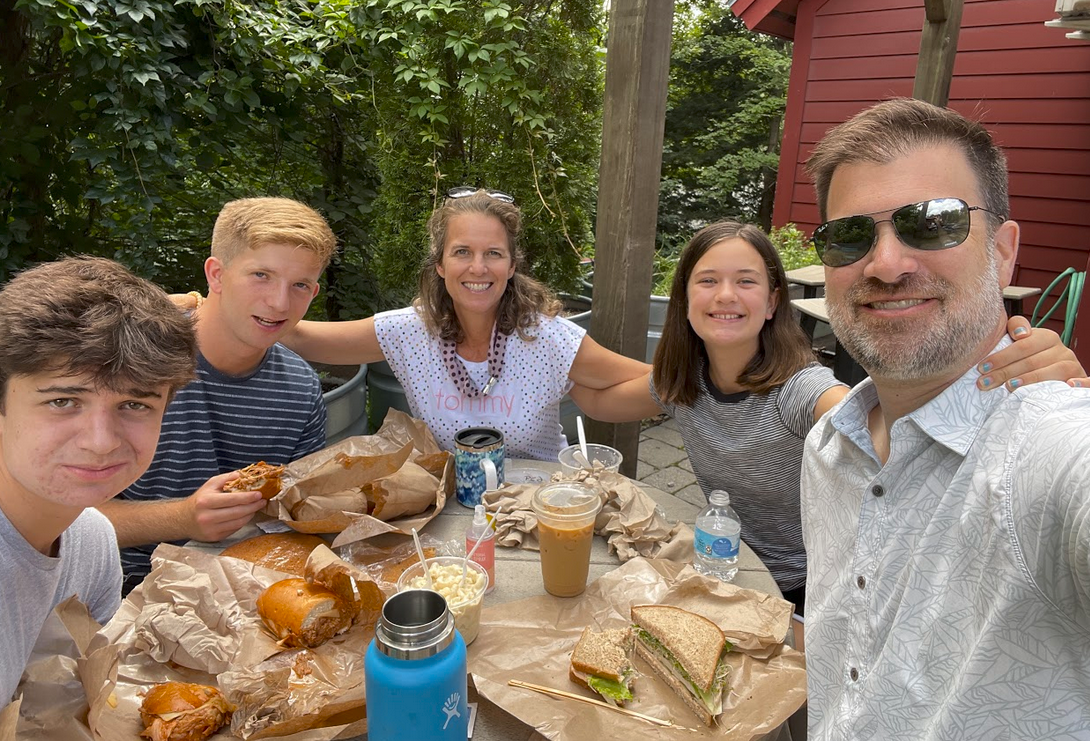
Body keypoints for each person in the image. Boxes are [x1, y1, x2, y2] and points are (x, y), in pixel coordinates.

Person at [568, 221, 1083, 614]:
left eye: (745, 281)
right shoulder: (684, 383)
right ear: (684, 302)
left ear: (772, 303)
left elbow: (890, 434)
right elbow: (598, 402)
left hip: (812, 593)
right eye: (708, 281)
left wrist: (1015, 390)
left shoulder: (799, 389)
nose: (725, 296)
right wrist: (539, 352)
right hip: (728, 568)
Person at [800, 97, 1090, 740]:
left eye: (932, 224)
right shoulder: (827, 445)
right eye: (849, 235)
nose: (886, 263)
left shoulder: (1050, 447)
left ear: (1004, 251)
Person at [279, 188, 649, 460]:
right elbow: (296, 335)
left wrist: (701, 376)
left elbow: (645, 384)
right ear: (439, 265)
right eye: (462, 252)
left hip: (538, 507)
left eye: (493, 254)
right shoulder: (409, 332)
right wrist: (240, 296)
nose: (478, 268)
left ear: (512, 266)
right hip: (452, 509)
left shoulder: (548, 338)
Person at [100, 197, 337, 593]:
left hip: (248, 584)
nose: (279, 303)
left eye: (299, 285)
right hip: (125, 589)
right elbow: (57, 514)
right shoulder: (127, 358)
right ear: (216, 275)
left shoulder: (300, 389)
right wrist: (182, 518)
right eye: (261, 275)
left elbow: (294, 517)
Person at [0, 256, 196, 706]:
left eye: (135, 405)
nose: (101, 442)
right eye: (64, 400)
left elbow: (76, 704)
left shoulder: (92, 541)